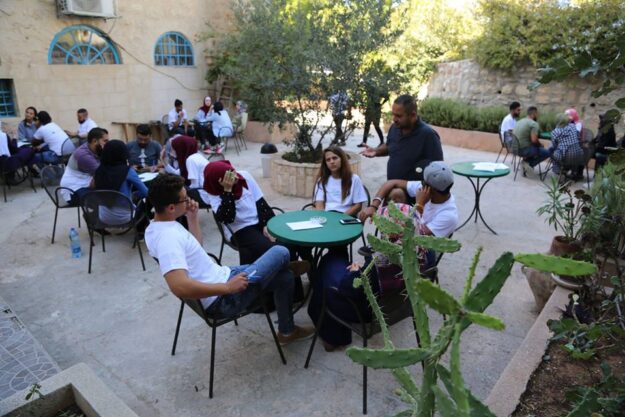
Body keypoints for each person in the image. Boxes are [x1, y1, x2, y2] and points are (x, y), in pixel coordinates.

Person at [145, 173, 314, 344]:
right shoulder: (168, 238)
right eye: (185, 199)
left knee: (285, 278)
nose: (189, 201)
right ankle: (280, 266)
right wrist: (227, 288)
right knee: (281, 251)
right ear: (171, 208)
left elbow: (195, 249)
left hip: (222, 276)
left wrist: (192, 217)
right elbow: (179, 287)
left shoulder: (157, 227)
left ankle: (287, 332)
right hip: (222, 299)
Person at [313, 161, 458, 351]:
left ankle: (334, 335)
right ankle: (331, 331)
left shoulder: (447, 216)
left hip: (370, 308)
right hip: (398, 291)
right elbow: (411, 232)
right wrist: (376, 206)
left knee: (328, 264)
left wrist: (357, 272)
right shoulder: (412, 253)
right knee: (336, 261)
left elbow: (350, 287)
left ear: (429, 189)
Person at [360, 94, 443, 197]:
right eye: (393, 115)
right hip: (391, 188)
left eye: (399, 116)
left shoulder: (428, 135)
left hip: (414, 197)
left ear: (413, 115)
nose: (394, 119)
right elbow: (390, 146)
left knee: (396, 195)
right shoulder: (395, 128)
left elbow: (439, 170)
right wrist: (376, 151)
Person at [202, 160, 283, 264]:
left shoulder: (244, 177)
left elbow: (260, 203)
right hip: (240, 229)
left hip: (259, 220)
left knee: (286, 240)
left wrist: (266, 224)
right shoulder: (214, 193)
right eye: (229, 177)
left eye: (233, 172)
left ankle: (293, 268)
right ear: (220, 181)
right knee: (272, 250)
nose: (235, 177)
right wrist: (227, 191)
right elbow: (227, 218)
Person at [93, 140, 148, 225]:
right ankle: (141, 229)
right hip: (126, 217)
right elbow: (146, 193)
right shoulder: (128, 171)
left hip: (103, 217)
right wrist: (135, 195)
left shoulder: (99, 170)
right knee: (144, 202)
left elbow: (92, 187)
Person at [313, 146, 368, 217]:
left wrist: (340, 218)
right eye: (328, 160)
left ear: (342, 159)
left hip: (346, 216)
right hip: (327, 216)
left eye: (335, 158)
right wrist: (323, 218)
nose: (332, 162)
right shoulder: (322, 180)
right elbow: (319, 204)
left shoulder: (354, 179)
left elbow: (358, 206)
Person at [60, 127, 109, 205]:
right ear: (95, 141)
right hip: (73, 190)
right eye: (105, 141)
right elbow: (103, 173)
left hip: (85, 181)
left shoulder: (93, 148)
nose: (107, 144)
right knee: (103, 201)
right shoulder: (84, 155)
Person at [163, 134, 209, 204]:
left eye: (176, 148)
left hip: (203, 195)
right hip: (205, 193)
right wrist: (163, 161)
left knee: (171, 190)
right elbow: (177, 172)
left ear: (181, 148)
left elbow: (194, 186)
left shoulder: (191, 160)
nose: (174, 151)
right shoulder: (196, 156)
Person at [513, 106, 550, 174]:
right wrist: (540, 145)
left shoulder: (519, 121)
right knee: (547, 153)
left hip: (515, 149)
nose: (538, 115)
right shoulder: (533, 124)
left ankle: (526, 162)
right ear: (534, 114)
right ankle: (528, 164)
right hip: (523, 150)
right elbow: (534, 140)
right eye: (537, 114)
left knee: (536, 148)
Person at [548, 113, 585, 179]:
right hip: (578, 155)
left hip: (565, 157)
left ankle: (558, 173)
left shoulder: (555, 132)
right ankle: (566, 171)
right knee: (568, 153)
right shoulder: (573, 126)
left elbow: (554, 146)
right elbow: (578, 137)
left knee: (552, 152)